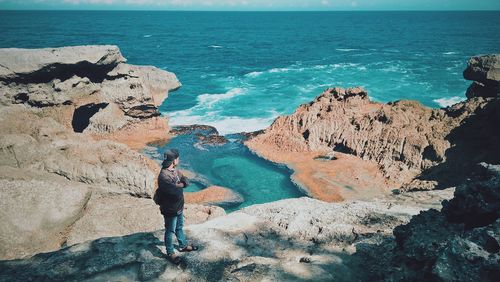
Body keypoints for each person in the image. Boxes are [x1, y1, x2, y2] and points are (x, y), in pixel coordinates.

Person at [154, 148, 198, 264]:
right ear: (174, 160)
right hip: (170, 209)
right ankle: (170, 253)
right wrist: (180, 186)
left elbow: (186, 181)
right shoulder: (164, 176)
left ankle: (183, 246)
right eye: (177, 158)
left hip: (178, 207)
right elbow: (176, 193)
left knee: (179, 227)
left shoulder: (174, 171)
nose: (178, 159)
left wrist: (180, 184)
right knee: (170, 231)